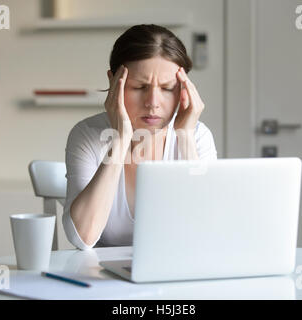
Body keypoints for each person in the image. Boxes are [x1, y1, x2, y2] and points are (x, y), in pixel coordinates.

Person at [62, 24, 218, 250]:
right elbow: (82, 238)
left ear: (184, 89)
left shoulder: (198, 135)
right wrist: (121, 139)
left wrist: (185, 138)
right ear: (113, 81)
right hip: (104, 281)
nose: (153, 102)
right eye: (139, 87)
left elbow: (208, 230)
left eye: (167, 88)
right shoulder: (87, 135)